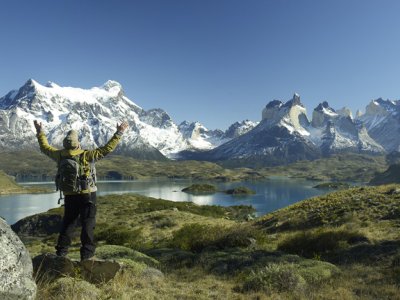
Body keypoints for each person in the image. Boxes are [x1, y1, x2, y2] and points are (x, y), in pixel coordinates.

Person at [33, 120, 129, 261]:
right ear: (78, 143)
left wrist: (40, 132)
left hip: (70, 195)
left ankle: (61, 254)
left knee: (68, 224)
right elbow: (106, 149)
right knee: (88, 224)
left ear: (65, 144)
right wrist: (119, 132)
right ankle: (87, 256)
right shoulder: (86, 155)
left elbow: (45, 147)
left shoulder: (60, 155)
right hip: (87, 195)